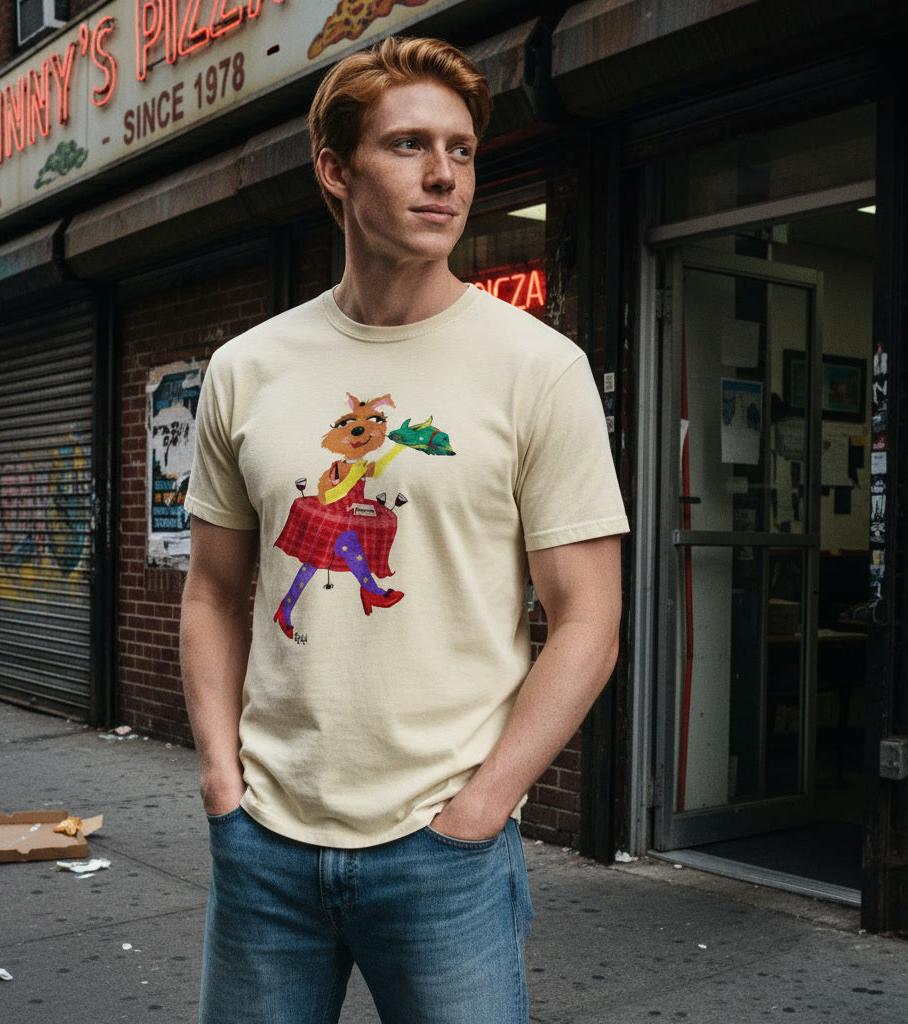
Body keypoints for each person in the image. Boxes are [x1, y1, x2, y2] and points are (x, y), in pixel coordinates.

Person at [180, 34, 629, 1024]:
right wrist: (220, 774)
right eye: (408, 146)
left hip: (444, 857)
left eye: (462, 150)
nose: (443, 176)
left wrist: (482, 807)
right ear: (334, 171)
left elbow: (589, 616)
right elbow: (212, 587)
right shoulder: (245, 369)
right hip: (262, 845)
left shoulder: (536, 367)